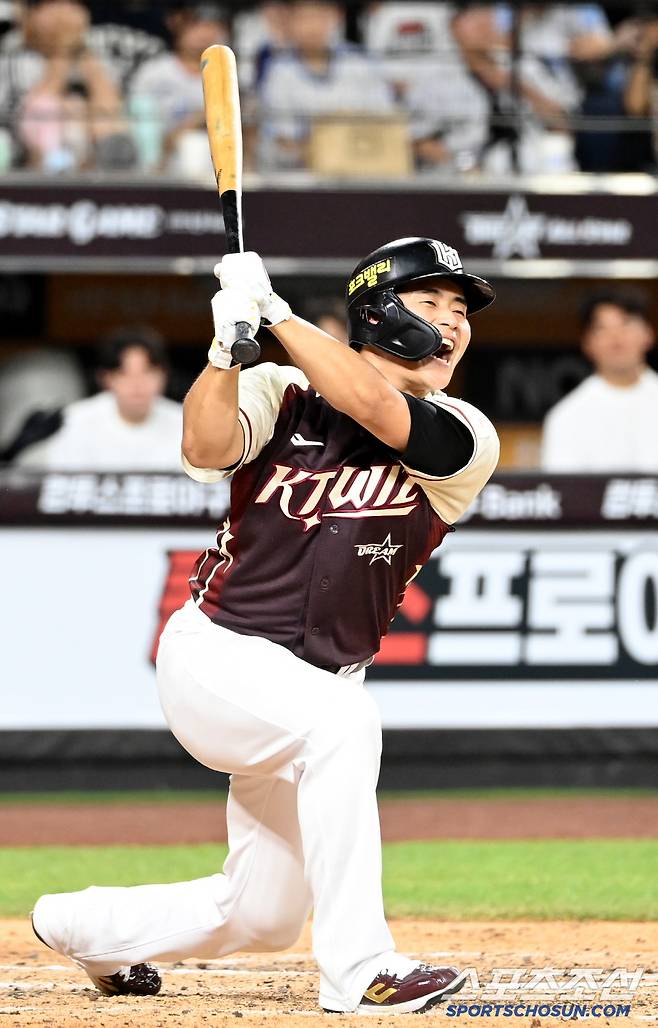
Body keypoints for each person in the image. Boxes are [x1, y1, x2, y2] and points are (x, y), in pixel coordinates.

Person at [31, 238, 500, 1014]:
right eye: (432, 304)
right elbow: (204, 446)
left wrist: (275, 311)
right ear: (378, 314)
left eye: (462, 311)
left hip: (306, 688)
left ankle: (83, 926)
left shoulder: (465, 432)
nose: (453, 324)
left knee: (262, 914)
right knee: (345, 725)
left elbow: (377, 408)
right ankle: (360, 970)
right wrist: (224, 354)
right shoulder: (281, 391)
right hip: (218, 658)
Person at [16, 328, 183, 471]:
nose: (137, 384)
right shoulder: (73, 420)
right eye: (123, 373)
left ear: (164, 375)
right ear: (106, 378)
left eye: (148, 372)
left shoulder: (187, 423)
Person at [258, 0, 394, 169]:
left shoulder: (359, 63)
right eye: (304, 18)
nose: (313, 27)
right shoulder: (280, 70)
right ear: (290, 21)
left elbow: (385, 119)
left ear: (336, 17)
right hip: (303, 171)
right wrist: (325, 152)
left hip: (364, 163)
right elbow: (283, 138)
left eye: (321, 17)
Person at [1, 0, 133, 171]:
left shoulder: (96, 55)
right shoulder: (13, 54)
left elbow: (111, 110)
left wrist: (80, 50)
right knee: (45, 106)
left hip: (94, 164)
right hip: (32, 166)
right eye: (53, 4)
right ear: (30, 15)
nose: (64, 13)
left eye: (72, 4)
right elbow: (37, 110)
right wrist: (63, 49)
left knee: (105, 116)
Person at [541, 291, 658, 472]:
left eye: (626, 324)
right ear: (587, 343)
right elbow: (563, 487)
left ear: (648, 334)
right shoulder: (566, 416)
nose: (616, 337)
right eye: (603, 328)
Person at [129, 2, 229, 171]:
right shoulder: (154, 71)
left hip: (213, 159)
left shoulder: (228, 73)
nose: (204, 33)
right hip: (160, 158)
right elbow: (137, 123)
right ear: (178, 26)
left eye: (211, 25)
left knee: (196, 145)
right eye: (196, 25)